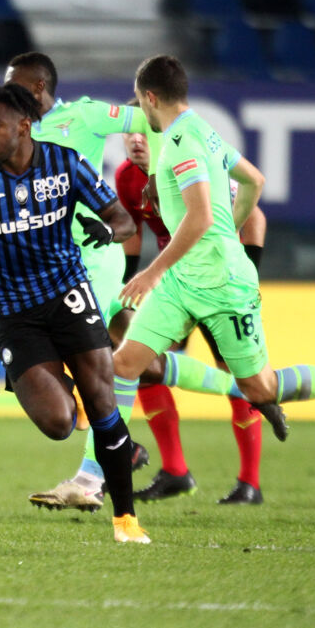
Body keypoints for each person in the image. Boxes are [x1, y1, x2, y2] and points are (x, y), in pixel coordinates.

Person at [0, 52, 285, 513]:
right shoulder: (4, 131)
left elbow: (152, 119)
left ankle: (92, 475)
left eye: (15, 84)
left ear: (38, 88)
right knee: (135, 363)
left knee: (99, 363)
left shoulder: (84, 115)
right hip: (47, 268)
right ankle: (236, 393)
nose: (6, 94)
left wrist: (156, 171)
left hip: (92, 260)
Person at [112, 55, 315, 454]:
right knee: (124, 364)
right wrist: (229, 230)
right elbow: (254, 180)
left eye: (139, 100)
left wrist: (153, 271)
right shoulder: (203, 131)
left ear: (149, 97)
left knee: (262, 388)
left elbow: (200, 217)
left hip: (221, 284)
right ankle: (102, 472)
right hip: (183, 281)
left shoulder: (181, 143)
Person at [0, 83, 150, 543]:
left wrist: (107, 232)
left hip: (68, 296)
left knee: (103, 404)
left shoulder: (65, 163)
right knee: (58, 423)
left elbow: (123, 219)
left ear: (24, 126)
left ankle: (126, 521)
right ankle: (73, 388)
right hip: (12, 314)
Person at [117, 99, 271, 504]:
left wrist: (248, 269)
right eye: (129, 132)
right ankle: (175, 471)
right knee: (146, 368)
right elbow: (132, 231)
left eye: (143, 131)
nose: (136, 139)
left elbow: (255, 217)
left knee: (241, 379)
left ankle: (249, 483)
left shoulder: (187, 160)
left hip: (218, 283)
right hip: (176, 285)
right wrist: (127, 279)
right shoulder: (127, 178)